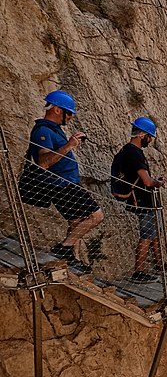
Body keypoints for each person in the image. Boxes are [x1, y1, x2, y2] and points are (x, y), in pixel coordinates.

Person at [26, 90, 103, 272]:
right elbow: (43, 162)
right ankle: (64, 248)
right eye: (69, 113)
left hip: (67, 183)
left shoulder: (54, 130)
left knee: (76, 220)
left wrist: (71, 141)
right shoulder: (43, 131)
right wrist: (68, 145)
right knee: (96, 216)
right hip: (61, 185)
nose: (70, 117)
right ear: (57, 110)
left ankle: (73, 259)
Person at [110, 117, 164, 283]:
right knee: (147, 235)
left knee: (154, 234)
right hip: (142, 200)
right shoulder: (134, 153)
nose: (150, 139)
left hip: (141, 199)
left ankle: (160, 265)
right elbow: (147, 182)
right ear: (142, 135)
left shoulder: (128, 151)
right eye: (149, 136)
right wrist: (158, 182)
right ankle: (138, 272)